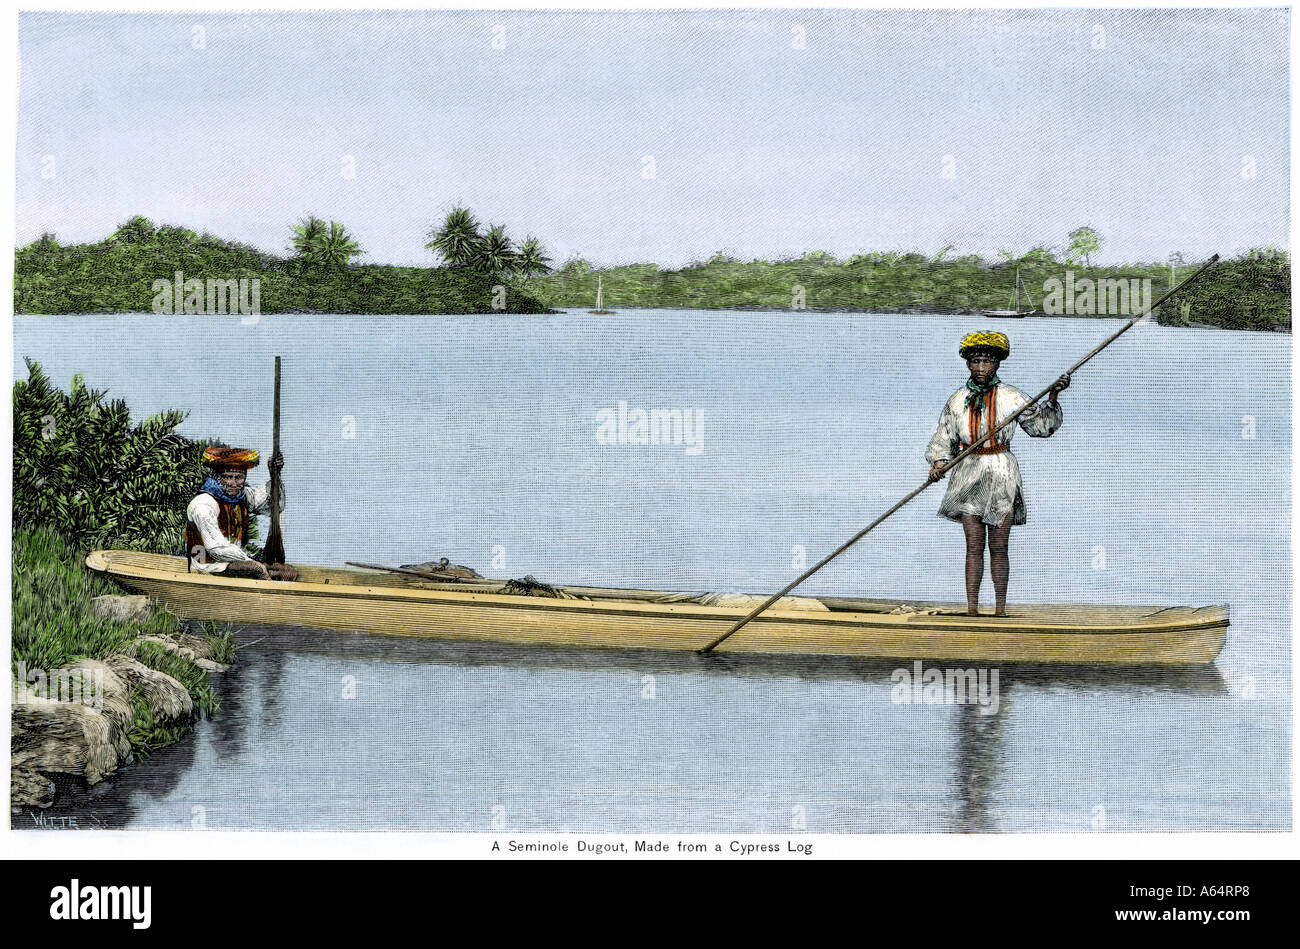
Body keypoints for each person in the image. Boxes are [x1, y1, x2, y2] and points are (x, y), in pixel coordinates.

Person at [926, 331, 1069, 616]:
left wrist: (1053, 396)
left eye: (986, 362)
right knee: (973, 546)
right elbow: (944, 438)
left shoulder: (1012, 397)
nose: (980, 368)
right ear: (968, 364)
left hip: (1001, 472)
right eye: (975, 362)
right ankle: (972, 612)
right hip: (968, 473)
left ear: (997, 364)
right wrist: (939, 463)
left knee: (999, 547)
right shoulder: (957, 400)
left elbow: (1042, 427)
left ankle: (1000, 612)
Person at [185, 446, 298, 581]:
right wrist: (250, 561)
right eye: (228, 477)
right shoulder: (203, 504)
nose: (234, 483)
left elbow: (274, 503)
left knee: (289, 573)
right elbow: (216, 548)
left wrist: (274, 474)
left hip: (233, 562)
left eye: (239, 477)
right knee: (257, 568)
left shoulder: (242, 496)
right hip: (208, 567)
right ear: (217, 477)